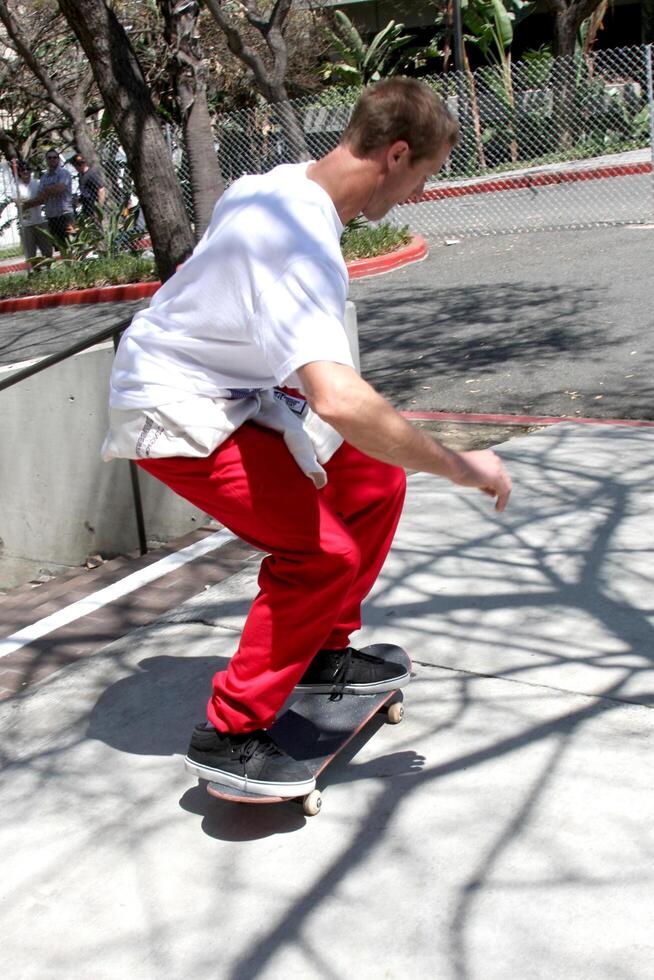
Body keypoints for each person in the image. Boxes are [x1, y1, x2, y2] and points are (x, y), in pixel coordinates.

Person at [102, 78, 512, 799]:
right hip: (173, 407)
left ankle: (323, 652)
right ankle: (231, 735)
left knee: (373, 479)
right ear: (394, 154)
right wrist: (458, 464)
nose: (420, 195)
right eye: (424, 175)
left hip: (229, 388)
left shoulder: (279, 184)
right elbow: (341, 399)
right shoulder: (298, 244)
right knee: (319, 554)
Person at [23, 149, 74, 250]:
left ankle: (76, 264)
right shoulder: (44, 177)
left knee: (72, 243)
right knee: (61, 246)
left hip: (65, 214)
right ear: (46, 160)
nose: (52, 160)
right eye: (49, 158)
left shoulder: (64, 173)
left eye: (55, 157)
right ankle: (68, 264)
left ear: (58, 159)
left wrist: (46, 190)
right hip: (52, 216)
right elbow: (42, 197)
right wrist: (26, 204)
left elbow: (60, 189)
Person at [13, 161, 53, 266]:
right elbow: (19, 204)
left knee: (47, 249)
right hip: (26, 224)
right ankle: (36, 271)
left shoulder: (37, 183)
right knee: (31, 253)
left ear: (31, 171)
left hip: (40, 220)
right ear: (19, 172)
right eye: (22, 170)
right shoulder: (16, 186)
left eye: (28, 169)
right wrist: (34, 201)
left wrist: (28, 203)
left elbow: (42, 199)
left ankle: (49, 269)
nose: (25, 172)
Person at [69, 153, 106, 221]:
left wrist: (99, 208)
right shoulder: (80, 175)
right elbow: (85, 192)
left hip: (94, 206)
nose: (75, 167)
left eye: (76, 164)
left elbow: (101, 190)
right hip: (87, 208)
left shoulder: (92, 174)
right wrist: (79, 200)